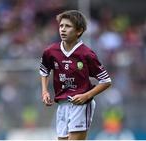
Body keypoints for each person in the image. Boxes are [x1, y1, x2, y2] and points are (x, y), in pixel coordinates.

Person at [39, 10, 112, 140]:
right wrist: (44, 91)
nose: (63, 29)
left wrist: (86, 96)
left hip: (81, 104)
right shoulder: (50, 51)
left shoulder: (87, 54)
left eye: (68, 26)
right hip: (62, 104)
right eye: (61, 26)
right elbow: (44, 70)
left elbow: (106, 81)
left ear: (79, 31)